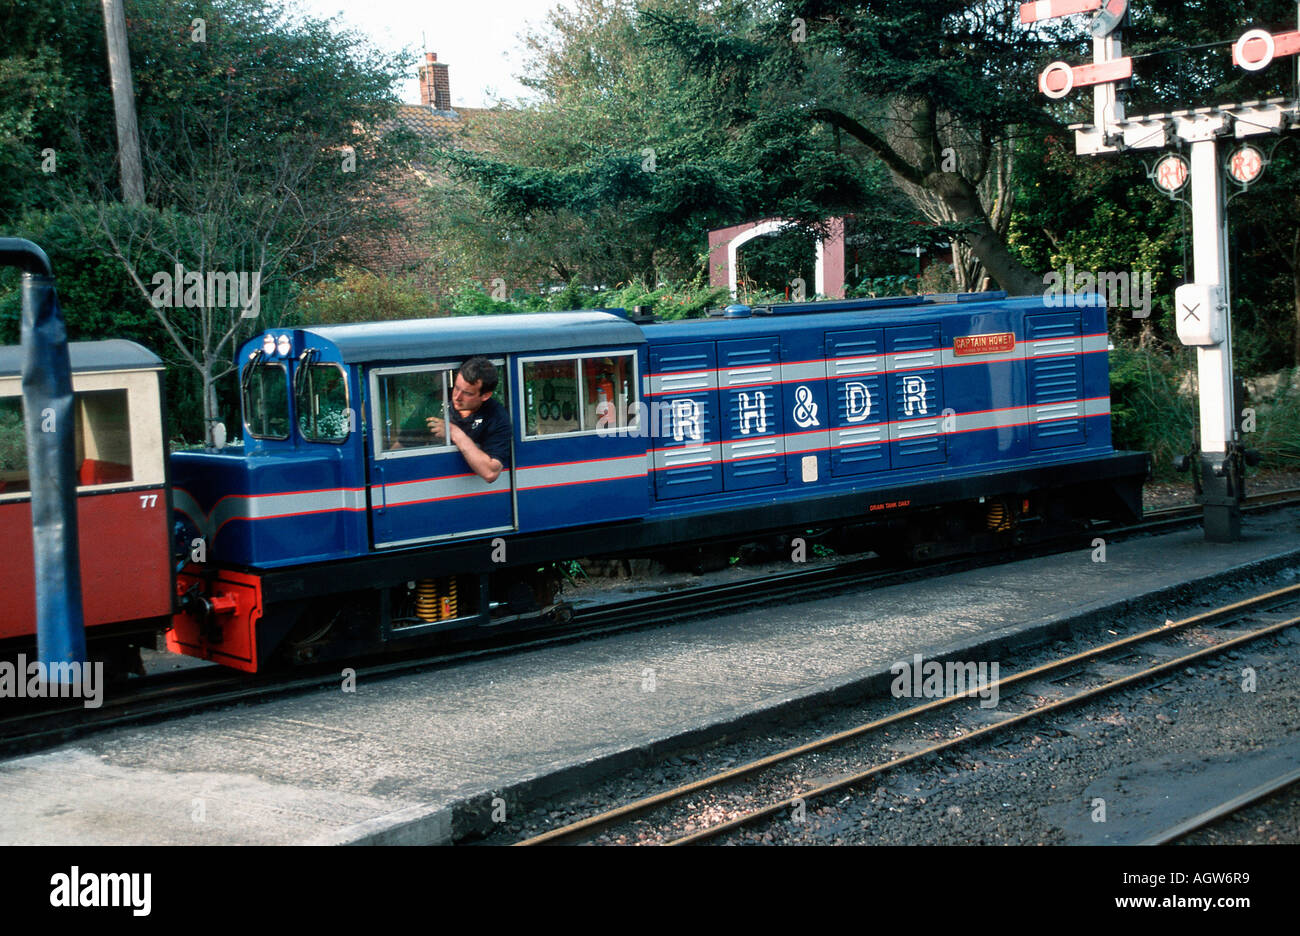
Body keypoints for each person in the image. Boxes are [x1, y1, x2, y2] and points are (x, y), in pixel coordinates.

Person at [426, 357, 511, 484]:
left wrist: (454, 433)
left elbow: (490, 472)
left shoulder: (496, 417)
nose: (457, 397)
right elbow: (401, 443)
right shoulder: (434, 402)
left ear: (485, 395)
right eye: (456, 388)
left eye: (467, 393)